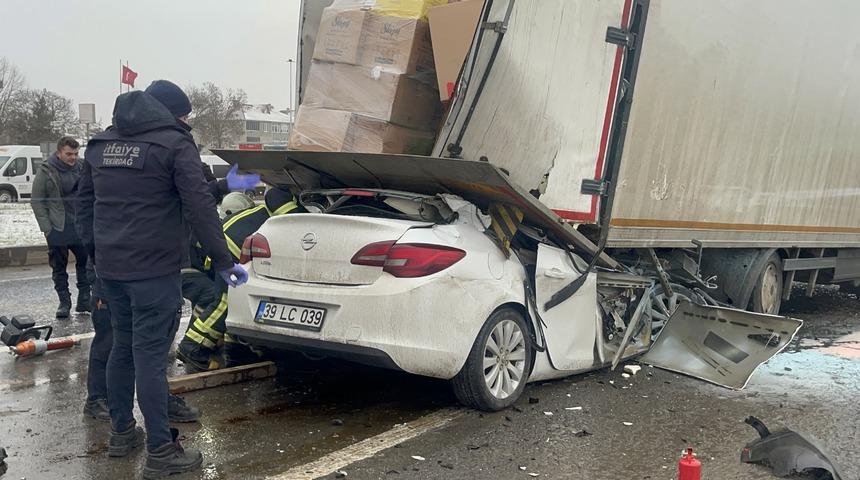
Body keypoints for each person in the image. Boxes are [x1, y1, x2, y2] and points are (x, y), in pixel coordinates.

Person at [77, 80, 247, 479]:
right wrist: (223, 262)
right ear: (170, 113)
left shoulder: (101, 146)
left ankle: (122, 432)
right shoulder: (174, 144)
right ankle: (161, 451)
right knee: (151, 360)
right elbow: (199, 208)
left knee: (122, 347)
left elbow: (84, 207)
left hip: (112, 270)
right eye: (185, 115)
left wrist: (97, 258)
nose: (187, 121)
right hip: (153, 272)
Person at [178, 187, 299, 372]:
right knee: (225, 302)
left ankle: (235, 349)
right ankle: (192, 347)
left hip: (224, 245)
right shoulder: (291, 207)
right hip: (231, 250)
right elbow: (294, 224)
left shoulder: (274, 203)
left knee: (236, 301)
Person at [82, 272, 200, 424]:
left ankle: (159, 401)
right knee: (110, 342)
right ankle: (97, 398)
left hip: (145, 279)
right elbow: (92, 248)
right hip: (111, 278)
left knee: (151, 350)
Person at [31, 137, 92, 318]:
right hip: (57, 227)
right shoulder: (46, 171)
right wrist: (47, 228)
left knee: (85, 264)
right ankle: (64, 302)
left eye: (75, 154)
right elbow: (37, 201)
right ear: (59, 153)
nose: (73, 157)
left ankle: (84, 300)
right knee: (59, 267)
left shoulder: (82, 168)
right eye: (69, 154)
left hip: (79, 225)